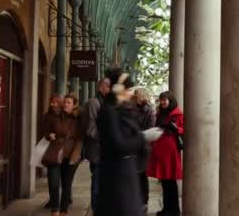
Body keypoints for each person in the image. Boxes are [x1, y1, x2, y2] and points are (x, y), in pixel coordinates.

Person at [96, 69, 163, 216]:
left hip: (125, 172)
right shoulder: (109, 111)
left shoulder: (120, 109)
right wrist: (143, 137)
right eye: (129, 89)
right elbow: (118, 144)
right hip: (116, 175)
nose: (131, 93)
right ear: (119, 89)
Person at [41, 94, 80, 216]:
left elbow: (80, 139)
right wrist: (49, 135)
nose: (66, 104)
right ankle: (55, 211)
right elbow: (45, 130)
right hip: (55, 153)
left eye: (69, 102)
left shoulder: (78, 118)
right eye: (65, 102)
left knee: (66, 185)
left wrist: (76, 155)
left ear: (74, 105)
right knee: (53, 183)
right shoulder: (55, 115)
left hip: (70, 155)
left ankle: (63, 211)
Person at [147, 91, 184, 216]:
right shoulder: (160, 113)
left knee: (171, 182)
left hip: (170, 151)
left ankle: (174, 210)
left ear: (170, 100)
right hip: (160, 150)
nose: (162, 102)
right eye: (161, 100)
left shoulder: (177, 114)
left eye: (165, 100)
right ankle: (166, 208)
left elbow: (184, 130)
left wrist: (176, 128)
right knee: (164, 181)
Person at [81, 77, 111, 212]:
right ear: (101, 88)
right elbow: (90, 129)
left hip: (106, 151)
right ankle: (96, 210)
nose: (111, 90)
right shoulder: (93, 103)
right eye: (108, 87)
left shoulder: (107, 103)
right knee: (98, 183)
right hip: (97, 151)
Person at [133, 87, 156, 212]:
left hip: (143, 147)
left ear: (141, 96)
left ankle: (144, 201)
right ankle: (137, 200)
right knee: (136, 175)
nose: (134, 97)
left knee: (142, 175)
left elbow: (150, 128)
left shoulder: (149, 110)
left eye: (136, 95)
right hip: (134, 145)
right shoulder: (133, 109)